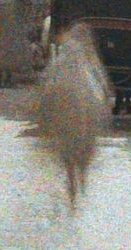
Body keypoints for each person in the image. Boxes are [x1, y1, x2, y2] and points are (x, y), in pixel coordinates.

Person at [37, 23, 111, 206]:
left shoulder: (63, 55)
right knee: (84, 142)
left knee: (67, 145)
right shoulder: (89, 59)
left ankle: (72, 179)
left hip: (66, 105)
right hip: (85, 106)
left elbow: (49, 79)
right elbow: (101, 85)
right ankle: (81, 176)